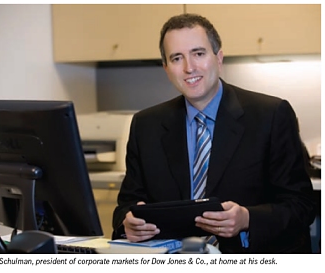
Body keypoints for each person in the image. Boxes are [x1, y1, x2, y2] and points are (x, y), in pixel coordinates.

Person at [112, 13, 316, 254]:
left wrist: (247, 218)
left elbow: (301, 206)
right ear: (166, 68)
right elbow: (126, 206)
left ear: (219, 58)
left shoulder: (271, 115)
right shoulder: (146, 125)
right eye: (177, 58)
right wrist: (128, 223)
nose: (189, 68)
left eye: (198, 53)